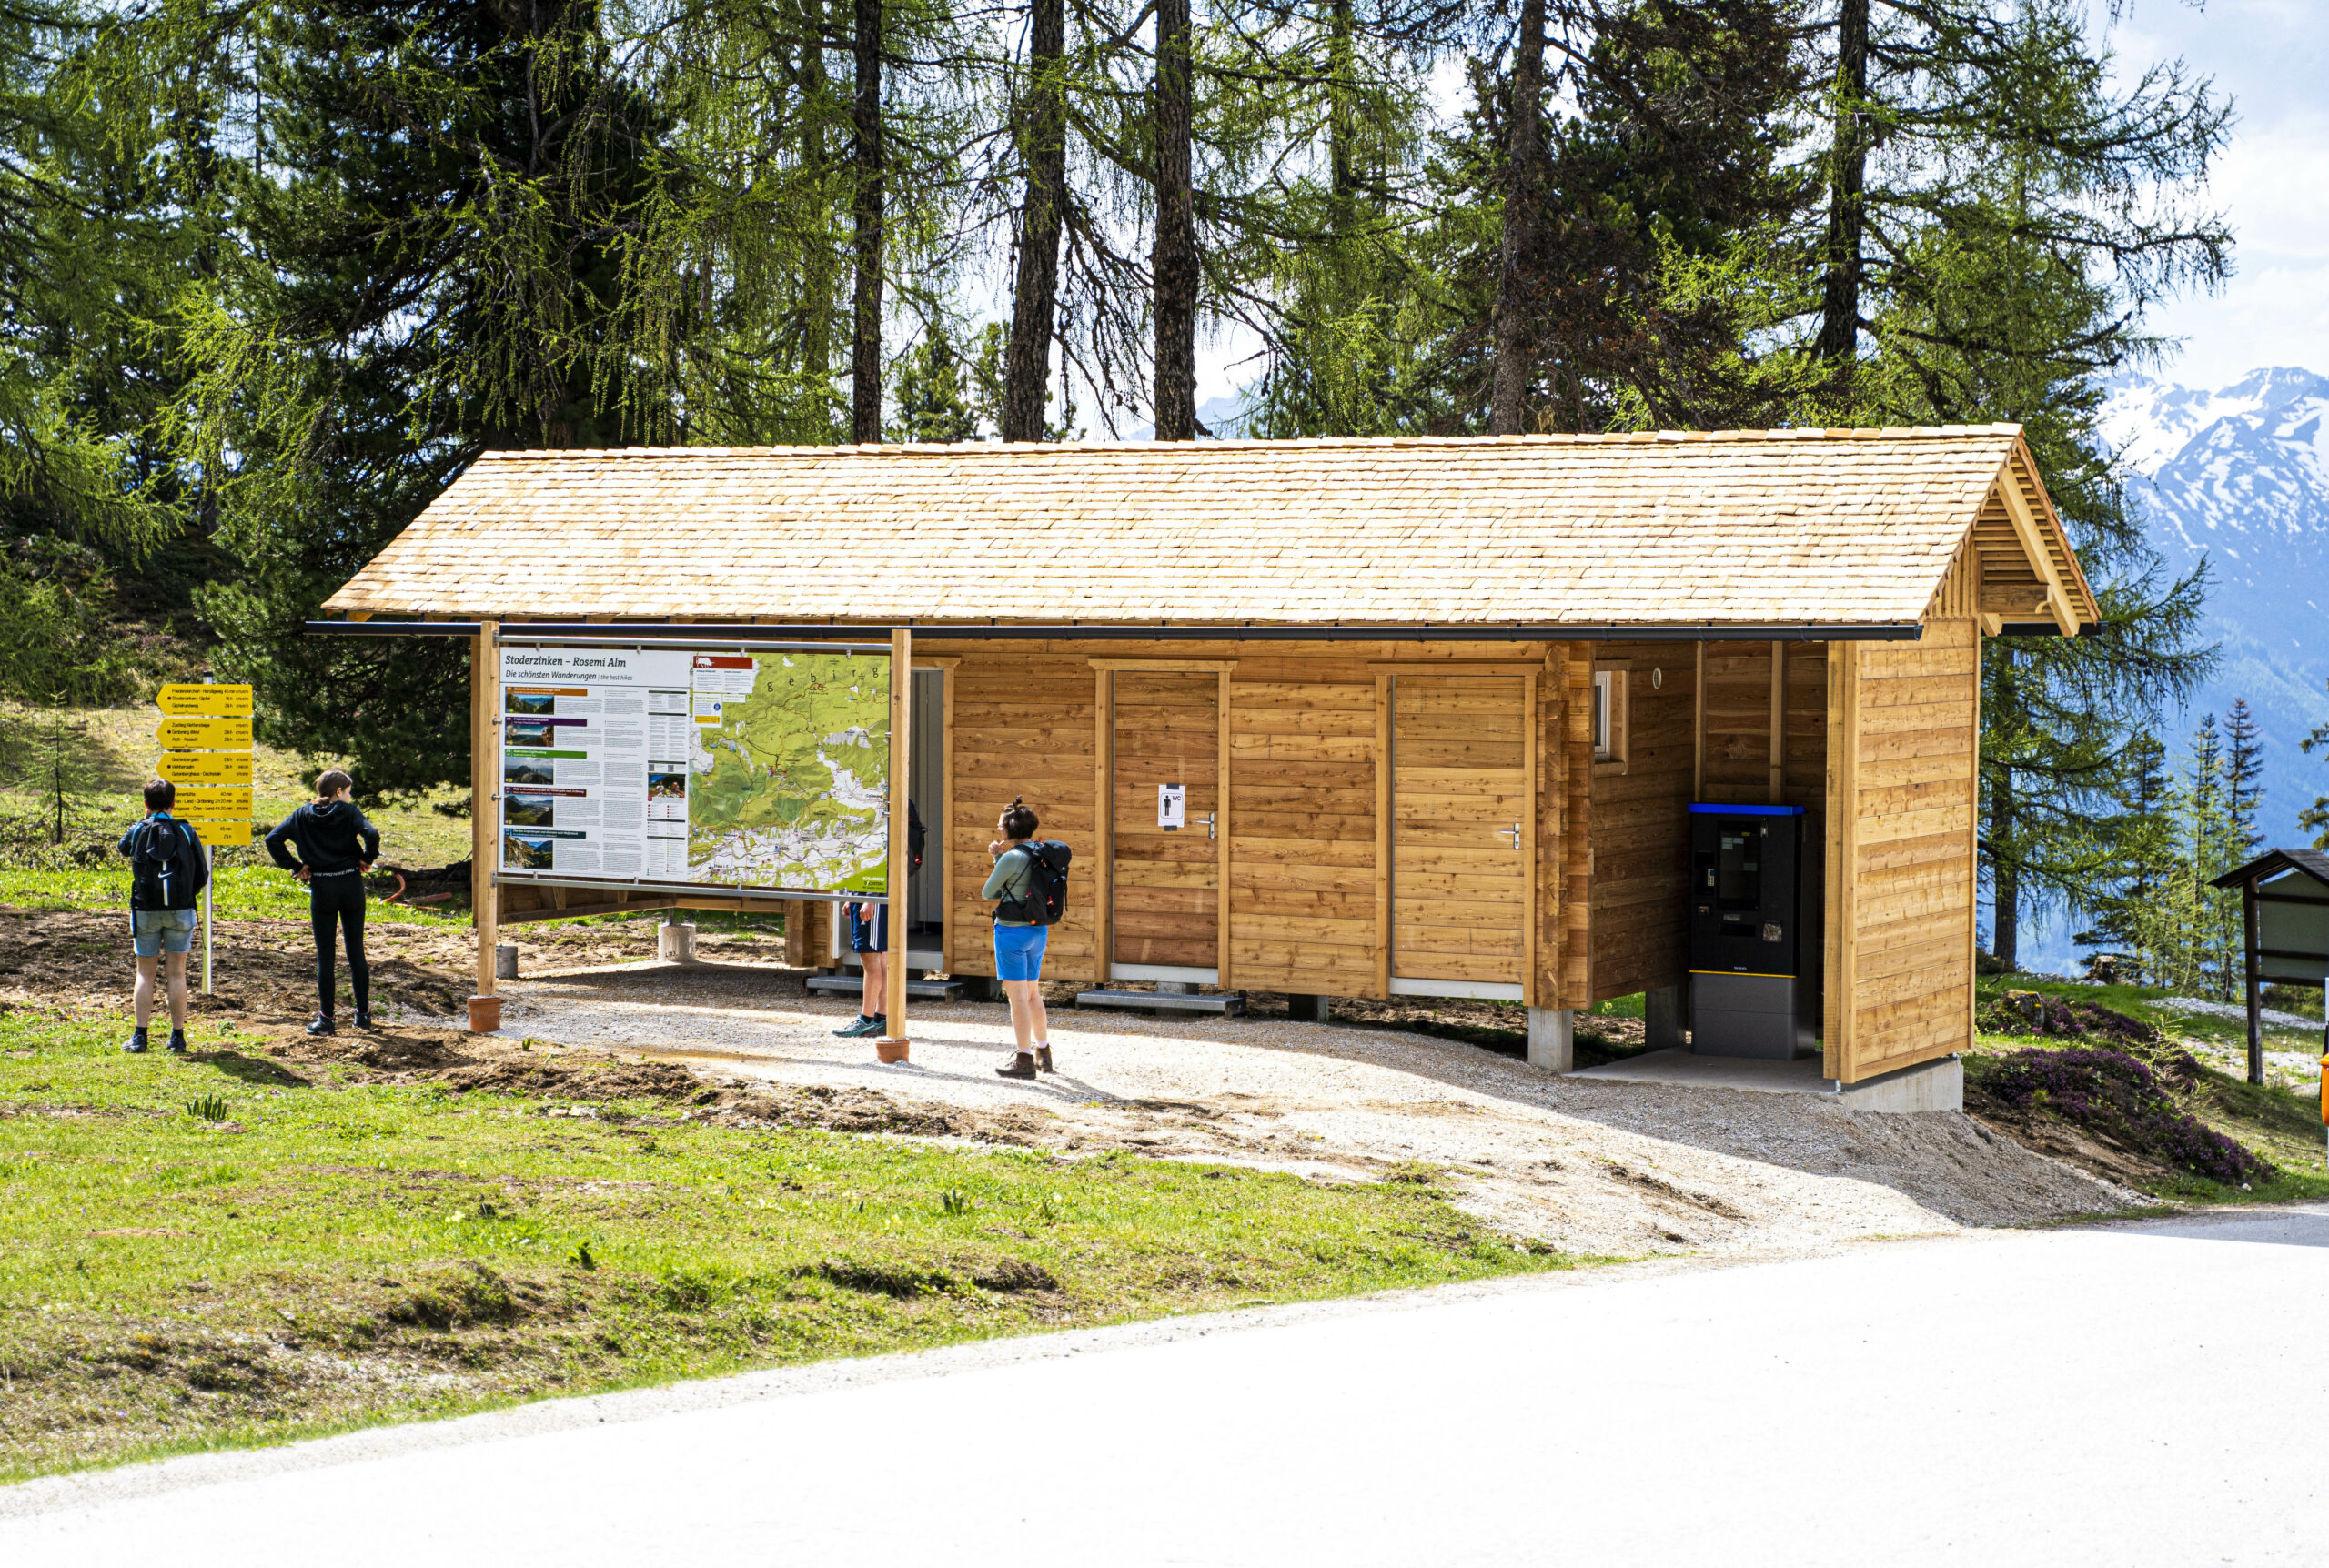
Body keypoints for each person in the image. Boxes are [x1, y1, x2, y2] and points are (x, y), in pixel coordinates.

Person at [265, 769, 381, 1035]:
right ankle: (363, 1016)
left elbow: (273, 839)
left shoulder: (301, 815)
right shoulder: (349, 812)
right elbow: (371, 834)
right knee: (356, 952)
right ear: (339, 792)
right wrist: (367, 858)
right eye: (349, 792)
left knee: (325, 956)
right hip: (350, 884)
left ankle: (326, 1020)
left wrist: (295, 866)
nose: (350, 797)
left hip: (322, 887)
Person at [118, 779, 207, 1055]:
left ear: (145, 804)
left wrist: (144, 820)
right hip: (180, 910)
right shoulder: (186, 829)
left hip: (145, 910)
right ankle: (177, 1037)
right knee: (177, 973)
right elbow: (202, 874)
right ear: (174, 803)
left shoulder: (139, 830)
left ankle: (140, 1037)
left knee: (145, 973)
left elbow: (123, 848)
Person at [834, 799, 923, 1040]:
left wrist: (871, 898)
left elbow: (886, 859)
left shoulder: (885, 806)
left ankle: (865, 1020)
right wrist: (851, 896)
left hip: (874, 898)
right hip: (865, 895)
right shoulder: (879, 803)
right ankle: (881, 1019)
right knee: (881, 962)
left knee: (871, 963)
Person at [983, 797, 1053, 1080]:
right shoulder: (1041, 852)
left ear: (1011, 828)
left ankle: (1023, 1058)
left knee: (1017, 999)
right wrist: (999, 857)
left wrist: (999, 860)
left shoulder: (1013, 857)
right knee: (1033, 995)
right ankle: (1043, 1053)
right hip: (1038, 930)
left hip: (1011, 932)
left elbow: (989, 892)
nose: (998, 830)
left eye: (1001, 826)